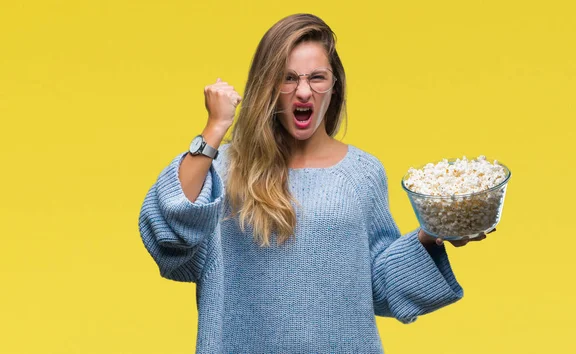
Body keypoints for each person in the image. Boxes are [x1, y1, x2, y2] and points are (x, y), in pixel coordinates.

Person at [138, 13, 489, 353]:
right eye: (288, 78)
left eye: (316, 77)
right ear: (269, 87)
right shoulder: (226, 167)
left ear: (334, 85)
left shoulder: (362, 173)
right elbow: (168, 235)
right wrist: (214, 128)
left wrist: (430, 234)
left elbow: (377, 286)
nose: (303, 91)